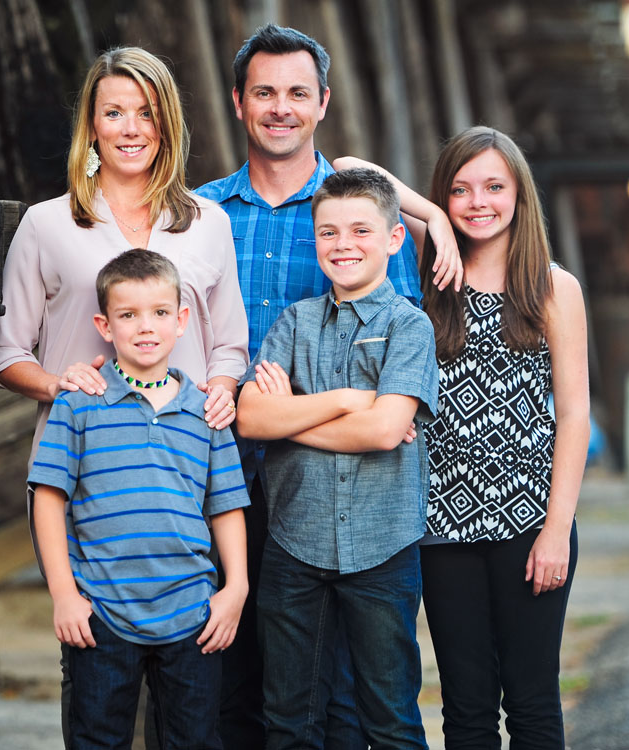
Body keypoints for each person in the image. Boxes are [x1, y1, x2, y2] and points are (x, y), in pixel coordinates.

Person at [195, 23, 461, 747]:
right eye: (264, 93)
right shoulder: (199, 215)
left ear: (322, 103)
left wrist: (430, 212)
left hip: (335, 496)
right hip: (216, 472)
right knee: (228, 686)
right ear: (238, 102)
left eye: (297, 93)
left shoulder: (357, 207)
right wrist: (336, 405)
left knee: (345, 694)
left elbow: (388, 399)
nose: (280, 107)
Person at [0, 46, 250, 745]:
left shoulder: (208, 222)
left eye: (146, 113)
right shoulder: (48, 224)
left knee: (187, 695)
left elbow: (229, 343)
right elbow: (6, 352)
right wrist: (58, 382)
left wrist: (222, 389)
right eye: (113, 113)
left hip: (183, 467)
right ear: (91, 125)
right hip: (89, 474)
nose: (131, 128)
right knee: (97, 687)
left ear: (167, 125)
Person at [236, 168, 437, 750]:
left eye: (360, 230)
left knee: (391, 721)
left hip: (383, 544)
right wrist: (349, 401)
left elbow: (384, 430)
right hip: (294, 542)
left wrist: (293, 418)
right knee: (289, 722)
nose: (343, 244)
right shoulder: (294, 322)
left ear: (394, 239)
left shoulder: (409, 326)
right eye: (328, 232)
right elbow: (251, 420)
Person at [28, 250, 250, 749]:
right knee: (98, 740)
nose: (145, 326)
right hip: (103, 612)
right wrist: (64, 595)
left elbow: (226, 506)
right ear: (104, 326)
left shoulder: (206, 412)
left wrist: (234, 588)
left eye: (160, 312)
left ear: (181, 320)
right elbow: (48, 498)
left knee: (194, 740)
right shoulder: (78, 404)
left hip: (192, 613)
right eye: (128, 315)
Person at [411, 127, 590, 748]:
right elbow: (352, 168)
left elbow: (574, 414)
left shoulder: (552, 286)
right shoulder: (431, 268)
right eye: (460, 190)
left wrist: (556, 531)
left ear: (519, 194)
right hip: (441, 525)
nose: (478, 202)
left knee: (533, 701)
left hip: (530, 521)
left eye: (494, 186)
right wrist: (433, 219)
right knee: (465, 708)